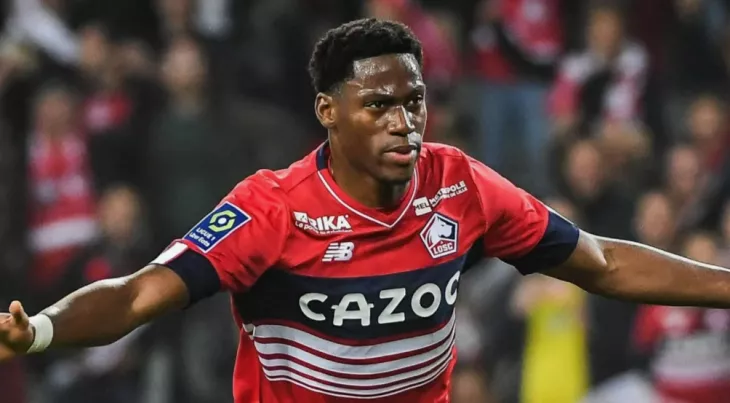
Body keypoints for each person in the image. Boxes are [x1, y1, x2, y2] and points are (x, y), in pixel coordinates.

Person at [3, 18, 730, 403]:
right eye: (378, 105)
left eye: (414, 102)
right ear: (328, 111)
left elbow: (602, 262)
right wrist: (40, 331)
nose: (402, 123)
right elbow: (138, 294)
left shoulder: (459, 185)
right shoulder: (272, 207)